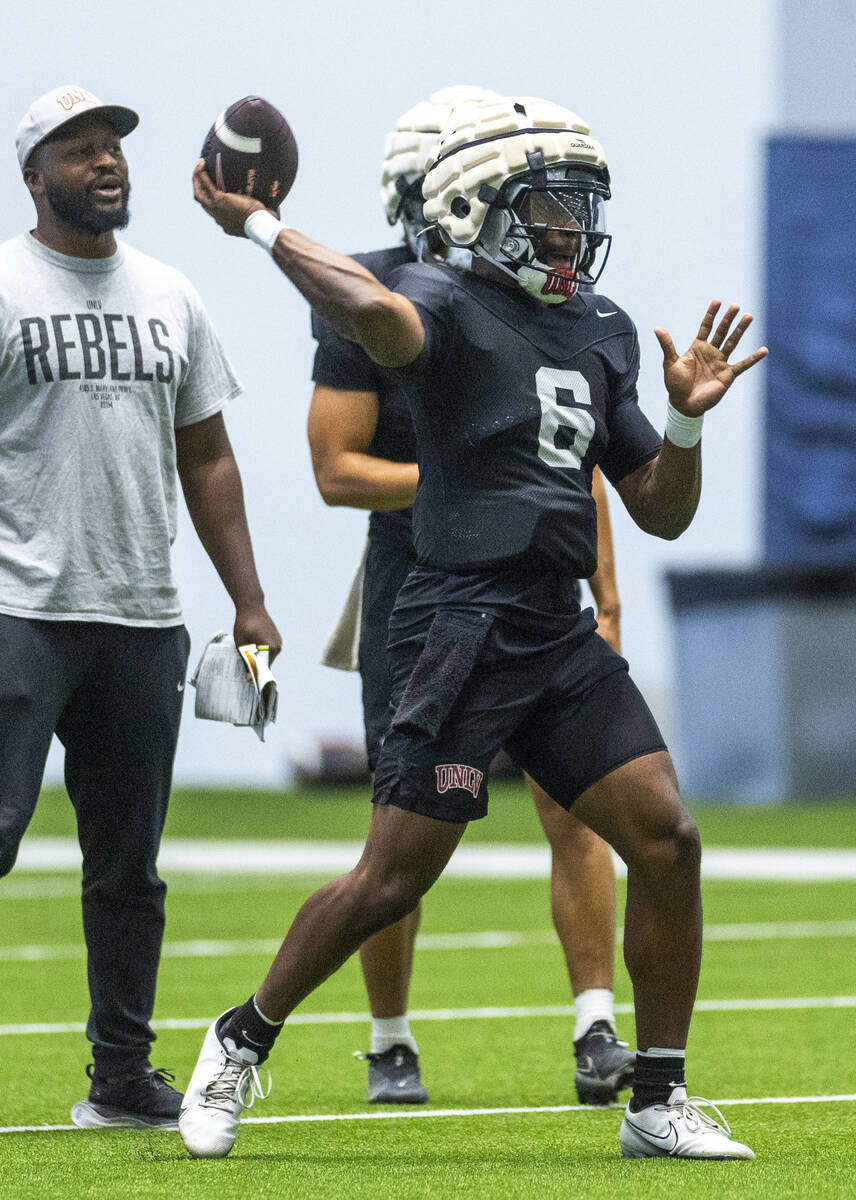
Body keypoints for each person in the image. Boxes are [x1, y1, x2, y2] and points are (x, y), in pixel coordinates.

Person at [181, 93, 767, 1160]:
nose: (569, 229)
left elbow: (658, 509)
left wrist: (686, 421)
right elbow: (369, 311)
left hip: (557, 632)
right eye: (547, 207)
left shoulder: (601, 328)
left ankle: (655, 1098)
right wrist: (261, 227)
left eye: (578, 208)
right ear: (473, 211)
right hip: (460, 629)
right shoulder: (437, 302)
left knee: (667, 840)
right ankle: (240, 1037)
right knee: (391, 879)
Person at [308, 87, 630, 1106]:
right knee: (401, 819)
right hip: (419, 579)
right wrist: (468, 484)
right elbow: (336, 468)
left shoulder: (546, 297)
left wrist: (605, 589)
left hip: (532, 584)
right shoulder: (376, 293)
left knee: (575, 799)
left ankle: (596, 1023)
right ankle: (389, 1037)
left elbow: (575, 456)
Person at [0, 84, 280, 1131]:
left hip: (140, 616)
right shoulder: (5, 285)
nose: (106, 161)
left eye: (112, 145)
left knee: (128, 867)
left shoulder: (171, 294)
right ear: (35, 175)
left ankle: (120, 1076)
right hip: (17, 607)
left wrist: (249, 601)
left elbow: (207, 459)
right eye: (79, 149)